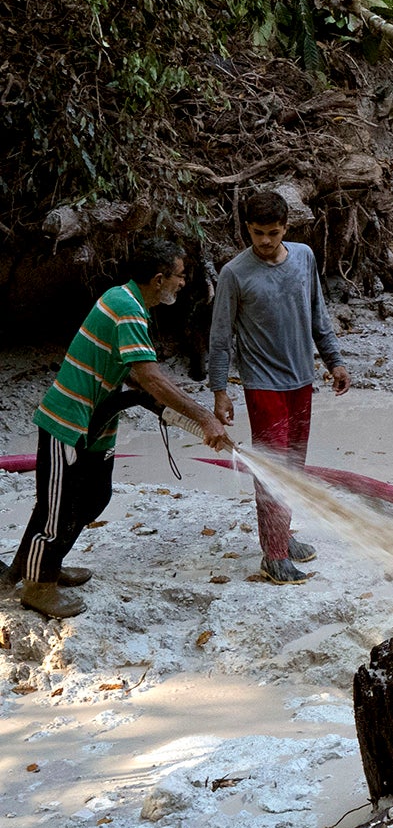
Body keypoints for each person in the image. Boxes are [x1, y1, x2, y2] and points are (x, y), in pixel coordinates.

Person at [8, 238, 233, 618]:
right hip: (69, 420)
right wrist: (204, 417)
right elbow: (151, 377)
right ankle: (37, 585)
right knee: (57, 509)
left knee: (95, 495)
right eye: (179, 277)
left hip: (96, 422)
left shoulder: (128, 302)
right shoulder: (126, 308)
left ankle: (39, 564)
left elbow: (132, 374)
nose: (182, 283)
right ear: (159, 278)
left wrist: (170, 408)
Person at [209, 190, 351, 585]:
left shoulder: (304, 258)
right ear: (247, 230)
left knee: (293, 467)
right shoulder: (234, 274)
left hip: (301, 381)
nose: (265, 241)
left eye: (273, 232)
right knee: (273, 470)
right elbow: (220, 338)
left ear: (286, 227)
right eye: (257, 233)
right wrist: (220, 391)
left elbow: (317, 314)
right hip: (263, 385)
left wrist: (334, 361)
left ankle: (281, 536)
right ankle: (273, 556)